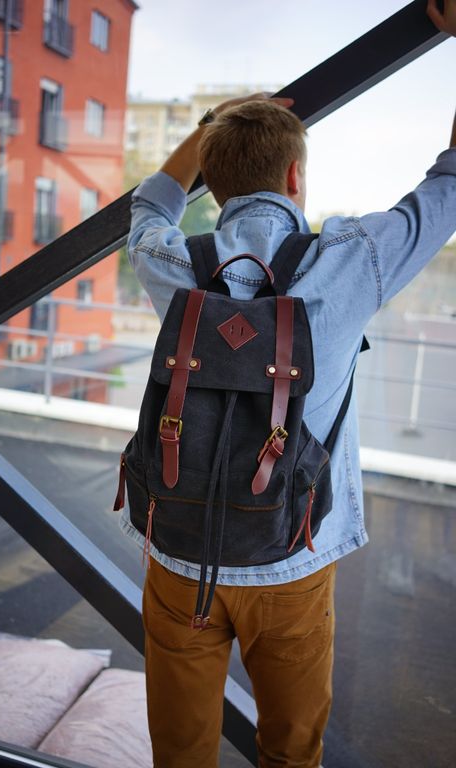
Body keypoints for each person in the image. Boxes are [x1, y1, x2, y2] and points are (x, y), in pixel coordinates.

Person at [120, 1, 456, 765]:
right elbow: (451, 182)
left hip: (178, 557)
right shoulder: (353, 258)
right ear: (296, 176)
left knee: (180, 752)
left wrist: (208, 132)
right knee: (291, 751)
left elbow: (150, 201)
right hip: (292, 561)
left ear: (215, 183)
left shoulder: (171, 263)